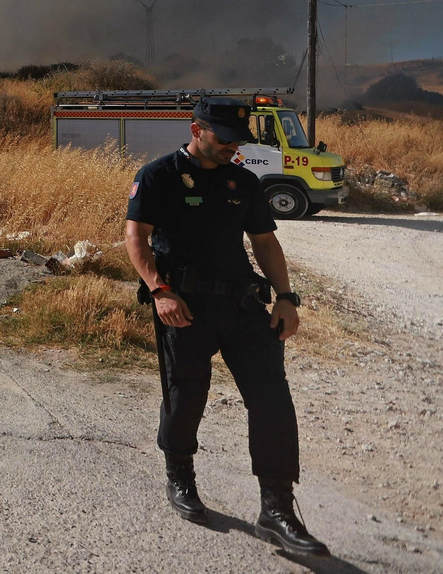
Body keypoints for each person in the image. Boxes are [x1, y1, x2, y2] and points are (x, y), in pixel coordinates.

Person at [124, 96, 328, 556]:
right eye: (223, 139)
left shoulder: (245, 180)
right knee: (186, 391)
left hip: (242, 307)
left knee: (272, 398)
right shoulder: (158, 175)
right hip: (185, 306)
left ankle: (276, 509)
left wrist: (287, 298)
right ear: (196, 129)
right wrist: (160, 291)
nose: (231, 148)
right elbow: (135, 238)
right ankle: (181, 478)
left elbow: (265, 243)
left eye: (238, 141)